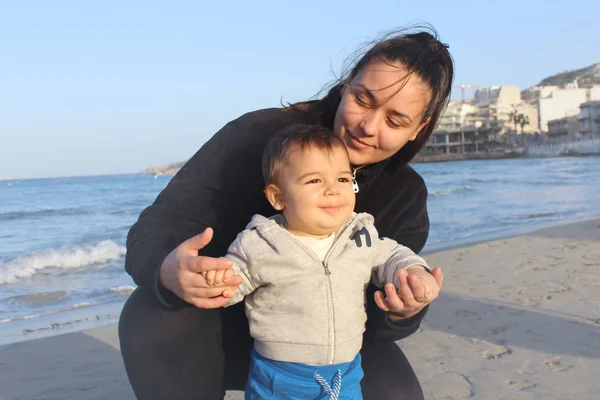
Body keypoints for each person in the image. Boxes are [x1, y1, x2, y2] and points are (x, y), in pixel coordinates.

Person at [119, 26, 453, 400]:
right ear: (346, 84)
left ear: (418, 129)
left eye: (395, 121)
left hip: (329, 354)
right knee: (150, 321)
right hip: (214, 331)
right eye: (363, 99)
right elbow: (156, 226)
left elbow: (378, 325)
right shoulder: (254, 138)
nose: (367, 126)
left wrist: (403, 311)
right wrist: (168, 269)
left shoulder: (404, 195)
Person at [202, 124, 433, 399]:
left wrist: (415, 270)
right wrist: (220, 281)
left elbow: (392, 254)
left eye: (343, 180)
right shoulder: (260, 243)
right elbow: (234, 280)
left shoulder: (358, 235)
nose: (332, 190)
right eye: (314, 181)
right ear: (278, 197)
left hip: (344, 375)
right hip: (279, 380)